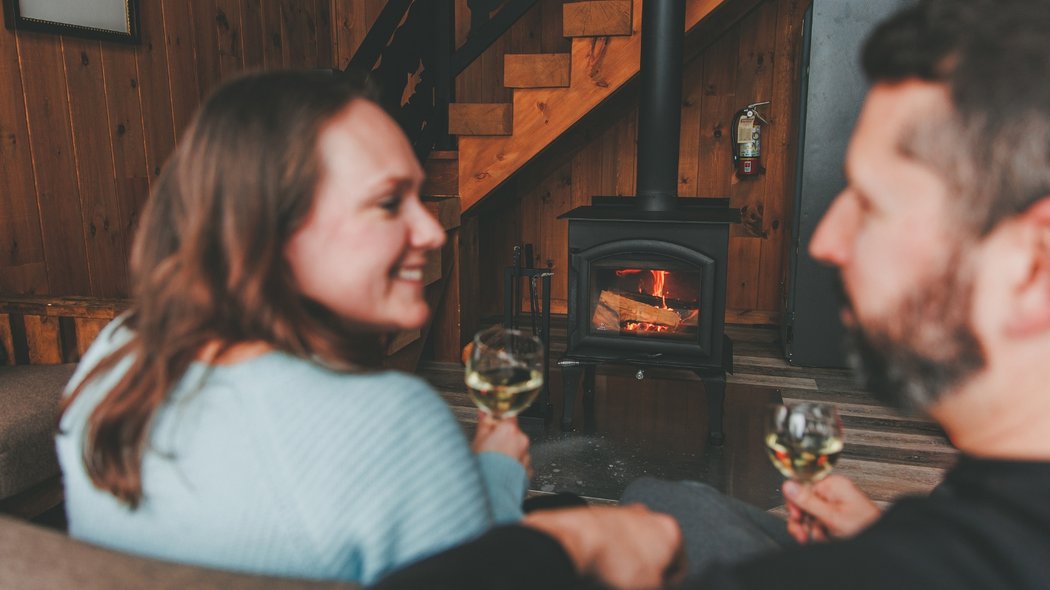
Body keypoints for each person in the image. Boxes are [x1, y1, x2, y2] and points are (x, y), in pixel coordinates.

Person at [364, 0, 1050, 588]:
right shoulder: (986, 518)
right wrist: (880, 531)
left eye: (870, 205)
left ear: (1033, 260)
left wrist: (581, 540)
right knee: (667, 497)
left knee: (648, 507)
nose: (826, 241)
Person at [56, 70, 533, 585]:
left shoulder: (115, 353)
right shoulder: (388, 420)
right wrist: (502, 478)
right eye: (389, 203)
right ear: (268, 229)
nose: (432, 230)